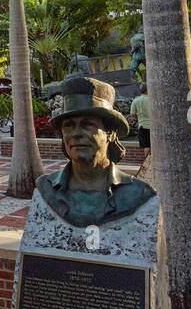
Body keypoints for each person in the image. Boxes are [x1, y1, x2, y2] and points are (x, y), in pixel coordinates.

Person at [36, 76, 155, 227]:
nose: (76, 133)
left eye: (87, 125)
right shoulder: (46, 187)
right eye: (69, 126)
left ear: (110, 133)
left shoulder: (138, 193)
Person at [130, 83, 151, 149]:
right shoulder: (153, 100)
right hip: (154, 127)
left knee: (146, 146)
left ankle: (148, 159)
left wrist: (137, 118)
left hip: (143, 126)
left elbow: (133, 114)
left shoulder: (135, 101)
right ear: (148, 90)